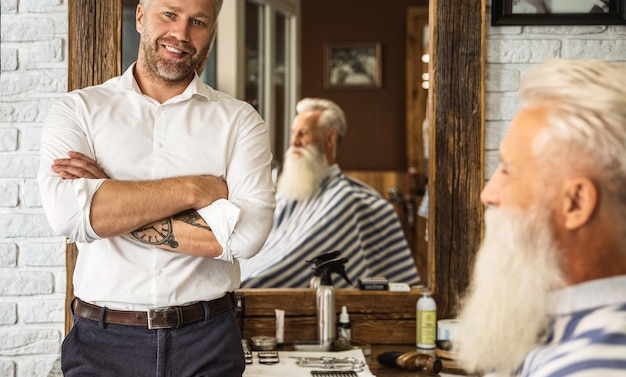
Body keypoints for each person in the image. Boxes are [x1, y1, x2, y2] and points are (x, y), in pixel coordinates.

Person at [37, 0, 275, 376]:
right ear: (141, 16)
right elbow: (69, 216)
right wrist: (194, 190)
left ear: (211, 32)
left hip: (208, 341)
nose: (181, 34)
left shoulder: (240, 121)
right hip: (102, 342)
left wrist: (109, 197)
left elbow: (247, 236)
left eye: (197, 21)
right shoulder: (80, 111)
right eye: (169, 14)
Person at [455, 58, 626, 376]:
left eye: (509, 169)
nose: (489, 194)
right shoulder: (558, 326)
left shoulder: (591, 368)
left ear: (575, 203)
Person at [239, 98, 420, 288]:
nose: (294, 142)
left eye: (303, 133)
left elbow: (295, 260)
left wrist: (246, 283)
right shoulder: (293, 190)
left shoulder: (347, 198)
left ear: (330, 139)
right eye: (294, 134)